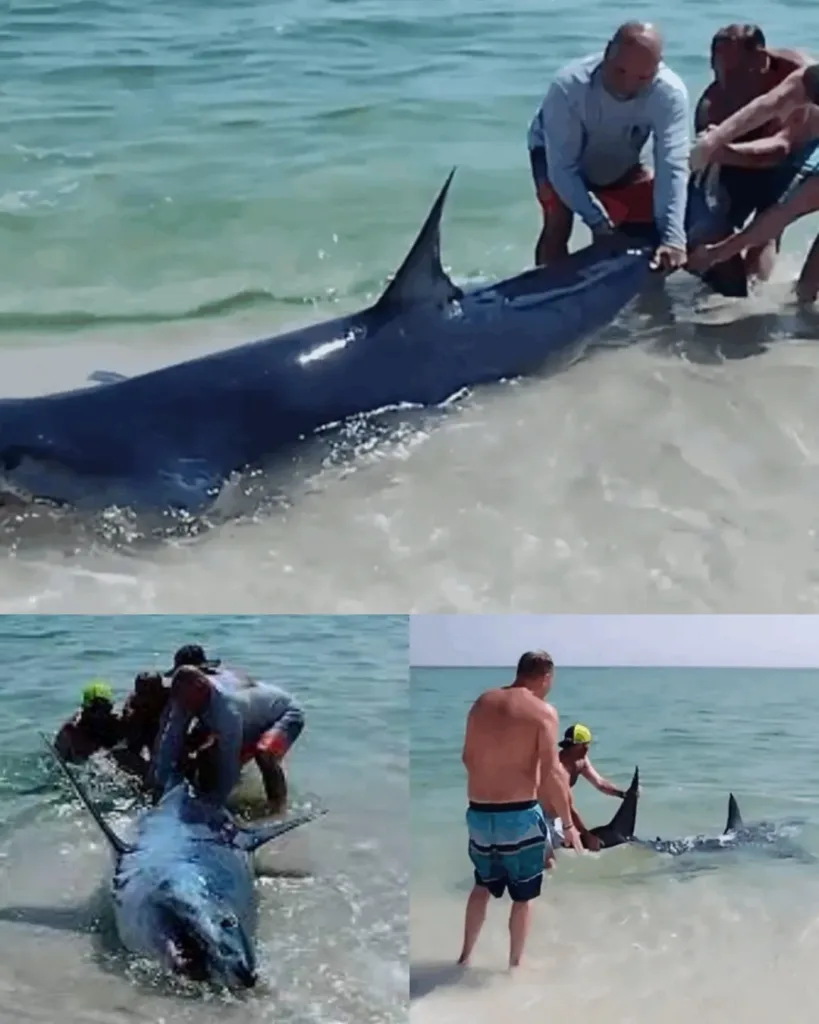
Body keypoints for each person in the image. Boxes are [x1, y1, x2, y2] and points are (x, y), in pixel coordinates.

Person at [526, 21, 689, 271]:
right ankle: (543, 291)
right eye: (619, 71)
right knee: (559, 219)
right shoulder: (568, 86)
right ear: (606, 53)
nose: (628, 85)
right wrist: (598, 224)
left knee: (643, 224)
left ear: (659, 66)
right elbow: (563, 168)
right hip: (554, 152)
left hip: (620, 155)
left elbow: (673, 165)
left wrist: (674, 238)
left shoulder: (670, 93)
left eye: (643, 77)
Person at [458, 650, 581, 970]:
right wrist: (568, 825)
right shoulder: (543, 712)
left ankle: (464, 957)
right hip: (520, 815)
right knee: (523, 896)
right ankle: (514, 967)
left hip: (479, 813)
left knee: (481, 886)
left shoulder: (482, 703)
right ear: (546, 677)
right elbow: (553, 773)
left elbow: (467, 758)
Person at [689, 60, 819, 299]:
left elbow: (789, 210)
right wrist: (714, 140)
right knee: (807, 290)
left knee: (809, 286)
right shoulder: (810, 78)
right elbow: (771, 103)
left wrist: (717, 253)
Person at [150, 665, 305, 813]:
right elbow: (171, 740)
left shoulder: (227, 710)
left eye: (189, 702)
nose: (186, 707)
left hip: (285, 714)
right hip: (248, 721)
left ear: (202, 688)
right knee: (203, 754)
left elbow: (228, 763)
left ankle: (278, 809)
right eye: (182, 702)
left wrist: (217, 804)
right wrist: (160, 784)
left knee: (264, 754)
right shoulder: (185, 697)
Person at [558, 723, 632, 851]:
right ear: (573, 746)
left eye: (588, 745)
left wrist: (623, 794)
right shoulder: (560, 768)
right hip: (547, 814)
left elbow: (600, 783)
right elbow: (566, 806)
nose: (587, 749)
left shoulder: (580, 759)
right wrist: (587, 836)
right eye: (584, 746)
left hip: (560, 813)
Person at [53, 680, 122, 763]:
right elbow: (58, 754)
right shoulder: (71, 729)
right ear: (85, 709)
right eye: (95, 709)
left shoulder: (118, 721)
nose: (100, 715)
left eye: (105, 709)